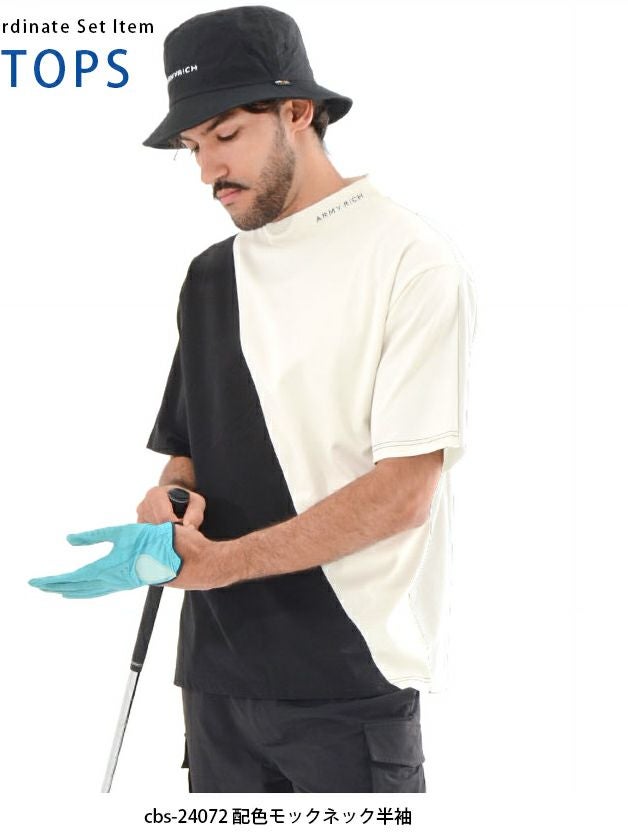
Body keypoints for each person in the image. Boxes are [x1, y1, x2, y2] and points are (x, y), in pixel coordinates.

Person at [29, 4, 477, 793]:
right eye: (193, 147)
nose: (208, 170)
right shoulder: (212, 277)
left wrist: (224, 565)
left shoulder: (410, 260)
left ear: (297, 112)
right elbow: (189, 450)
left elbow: (405, 493)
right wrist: (168, 506)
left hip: (348, 683)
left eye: (226, 134)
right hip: (214, 682)